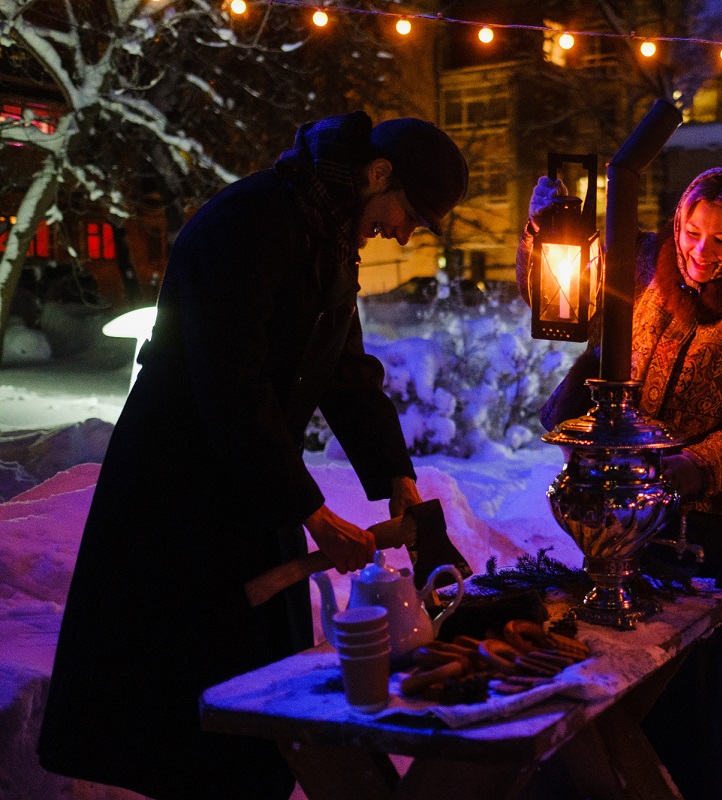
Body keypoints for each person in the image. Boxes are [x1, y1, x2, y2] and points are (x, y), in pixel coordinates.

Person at [38, 112, 468, 799]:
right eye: (408, 213)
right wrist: (312, 512)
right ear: (378, 174)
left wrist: (397, 478)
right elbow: (232, 386)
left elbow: (345, 373)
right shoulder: (250, 221)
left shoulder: (328, 237)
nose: (403, 232)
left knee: (263, 708)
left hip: (251, 485)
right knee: (182, 705)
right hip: (176, 493)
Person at [517, 167, 722, 799]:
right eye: (692, 233)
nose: (701, 252)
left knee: (712, 696)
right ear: (677, 223)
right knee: (625, 678)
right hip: (629, 511)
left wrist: (699, 465)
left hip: (718, 528)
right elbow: (561, 294)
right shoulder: (644, 262)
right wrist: (546, 233)